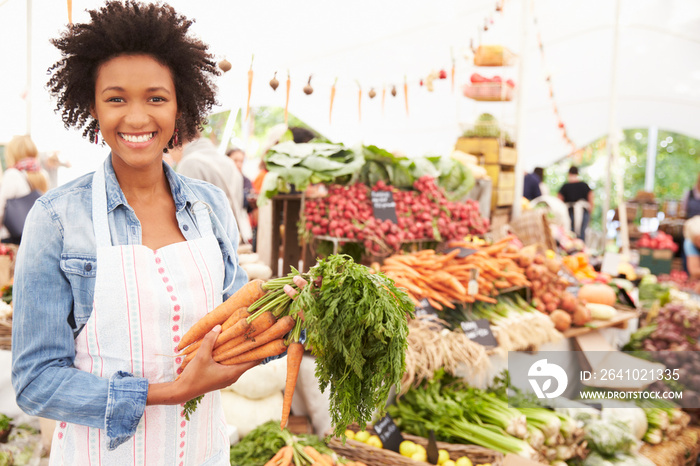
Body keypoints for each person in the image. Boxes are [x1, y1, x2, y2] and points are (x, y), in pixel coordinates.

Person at [10, 3, 301, 464]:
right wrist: (170, 391)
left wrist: (295, 308)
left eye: (156, 98)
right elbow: (35, 382)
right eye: (117, 98)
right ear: (92, 105)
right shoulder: (58, 219)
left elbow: (242, 324)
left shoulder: (209, 207)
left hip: (202, 452)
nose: (138, 117)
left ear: (180, 103)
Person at [177, 133, 253, 244]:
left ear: (175, 140)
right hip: (231, 239)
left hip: (207, 246)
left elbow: (188, 218)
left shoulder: (189, 164)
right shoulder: (229, 163)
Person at [0, 135, 49, 243]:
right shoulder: (42, 174)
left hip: (12, 237)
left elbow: (1, 208)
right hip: (33, 236)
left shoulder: (12, 174)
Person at [558, 166, 593, 241]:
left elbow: (559, 200)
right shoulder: (584, 185)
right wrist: (590, 212)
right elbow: (591, 198)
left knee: (570, 232)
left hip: (571, 212)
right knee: (580, 233)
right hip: (581, 212)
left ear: (569, 173)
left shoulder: (565, 186)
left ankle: (574, 248)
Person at [227, 147, 254, 213]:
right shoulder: (222, 178)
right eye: (235, 160)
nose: (238, 164)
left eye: (241, 161)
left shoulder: (246, 181)